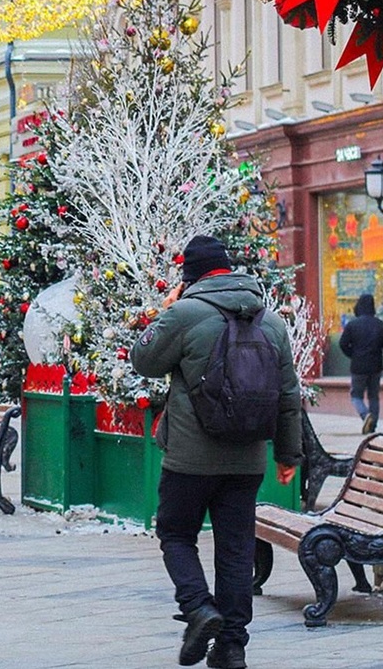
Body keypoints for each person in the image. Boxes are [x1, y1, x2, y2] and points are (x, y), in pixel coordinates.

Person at [130, 235, 302, 669]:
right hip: (246, 459)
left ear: (190, 274)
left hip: (190, 456)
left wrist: (165, 310)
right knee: (236, 549)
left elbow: (143, 360)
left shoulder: (186, 314)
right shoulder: (271, 321)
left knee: (175, 533)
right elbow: (288, 394)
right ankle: (231, 648)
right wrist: (288, 454)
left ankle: (198, 607)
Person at [339, 293, 383, 434]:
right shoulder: (382, 326)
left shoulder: (352, 325)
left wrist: (353, 355)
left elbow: (343, 344)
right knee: (373, 396)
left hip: (358, 367)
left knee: (356, 395)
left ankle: (365, 415)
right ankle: (372, 425)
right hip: (376, 367)